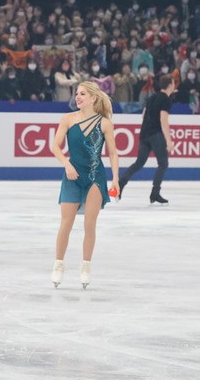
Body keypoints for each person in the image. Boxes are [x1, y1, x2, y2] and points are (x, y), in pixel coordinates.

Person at [49, 82, 120, 289]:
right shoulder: (68, 119)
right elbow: (55, 146)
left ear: (93, 98)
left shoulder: (105, 123)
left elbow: (113, 153)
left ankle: (86, 266)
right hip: (72, 175)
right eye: (76, 94)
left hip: (95, 177)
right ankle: (58, 264)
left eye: (82, 94)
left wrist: (116, 179)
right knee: (66, 223)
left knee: (90, 224)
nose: (77, 97)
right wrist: (66, 164)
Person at [118, 74, 176, 205]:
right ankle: (155, 193)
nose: (174, 85)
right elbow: (163, 120)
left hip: (144, 133)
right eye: (173, 83)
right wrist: (169, 140)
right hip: (156, 134)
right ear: (170, 85)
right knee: (163, 163)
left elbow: (144, 114)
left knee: (139, 162)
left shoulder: (152, 97)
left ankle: (121, 182)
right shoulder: (166, 99)